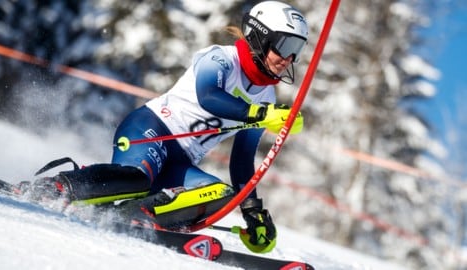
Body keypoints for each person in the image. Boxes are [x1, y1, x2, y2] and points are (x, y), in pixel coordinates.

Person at [24, 1, 308, 253]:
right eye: (285, 45)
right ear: (260, 36)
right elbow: (209, 97)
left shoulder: (267, 96)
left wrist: (251, 210)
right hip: (152, 129)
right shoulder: (220, 59)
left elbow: (243, 158)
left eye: (296, 50)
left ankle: (135, 214)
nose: (289, 59)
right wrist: (258, 113)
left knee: (222, 196)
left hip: (181, 161)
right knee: (138, 179)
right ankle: (58, 187)